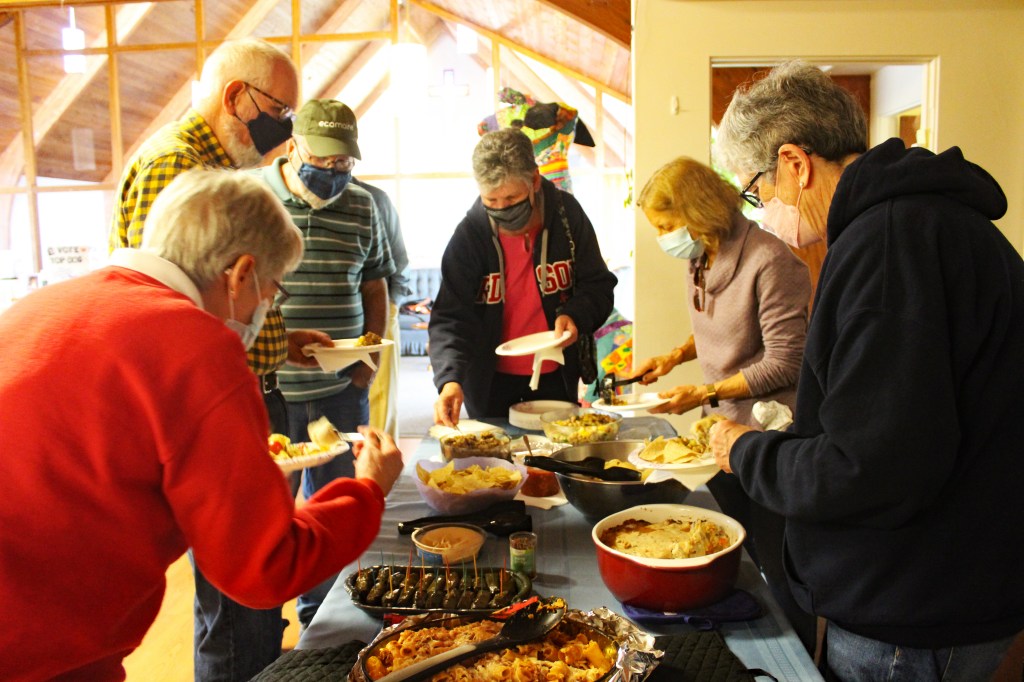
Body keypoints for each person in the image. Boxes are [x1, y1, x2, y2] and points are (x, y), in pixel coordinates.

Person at [0, 169, 404, 681]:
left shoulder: (46, 305)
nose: (265, 310)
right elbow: (263, 567)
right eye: (272, 292)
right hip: (41, 653)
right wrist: (367, 490)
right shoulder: (197, 346)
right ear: (241, 274)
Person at [710, 60, 1024, 681]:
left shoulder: (889, 243)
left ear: (794, 163)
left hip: (916, 605)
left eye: (756, 192)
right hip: (952, 582)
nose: (763, 212)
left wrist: (747, 451)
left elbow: (872, 468)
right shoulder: (922, 221)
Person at [108, 39, 334, 681]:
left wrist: (280, 341)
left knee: (254, 601)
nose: (284, 132)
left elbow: (223, 293)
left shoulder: (212, 167)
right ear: (237, 97)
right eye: (280, 112)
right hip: (210, 410)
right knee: (238, 600)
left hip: (240, 395)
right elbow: (173, 314)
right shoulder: (176, 167)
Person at [629, 156, 815, 651]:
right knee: (731, 552)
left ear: (698, 210)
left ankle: (796, 660)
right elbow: (722, 328)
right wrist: (673, 358)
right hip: (720, 434)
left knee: (777, 563)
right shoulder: (702, 255)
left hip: (768, 438)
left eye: (666, 226)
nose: (663, 238)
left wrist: (704, 392)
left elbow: (786, 362)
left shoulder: (770, 261)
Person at [253, 98, 393, 628]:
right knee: (266, 519)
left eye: (344, 162)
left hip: (341, 386)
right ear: (294, 146)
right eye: (323, 159)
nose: (334, 171)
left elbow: (375, 283)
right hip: (271, 390)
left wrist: (367, 359)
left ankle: (323, 623)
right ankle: (264, 625)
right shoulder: (255, 198)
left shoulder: (362, 205)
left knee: (336, 510)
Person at [429, 128, 616, 424]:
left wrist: (575, 316)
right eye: (491, 201)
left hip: (556, 376)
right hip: (489, 384)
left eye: (512, 198)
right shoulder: (470, 236)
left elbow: (598, 287)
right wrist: (449, 379)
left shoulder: (567, 216)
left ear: (534, 180)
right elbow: (450, 317)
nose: (502, 209)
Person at [356, 176, 410, 439]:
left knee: (379, 398)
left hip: (380, 311)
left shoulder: (376, 199)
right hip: (338, 318)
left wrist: (391, 305)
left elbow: (400, 263)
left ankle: (381, 459)